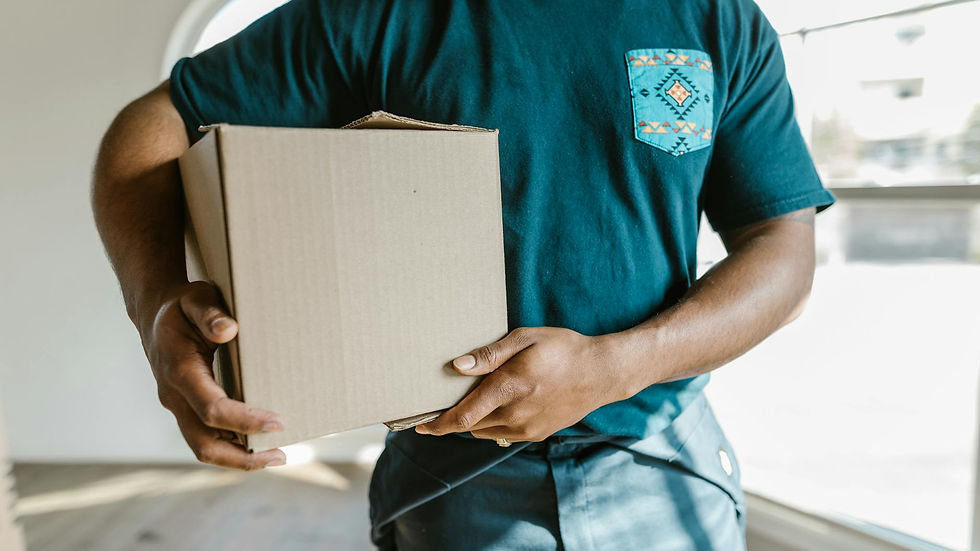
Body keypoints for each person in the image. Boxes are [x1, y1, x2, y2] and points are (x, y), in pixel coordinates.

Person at [92, 0, 836, 548]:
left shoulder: (717, 17)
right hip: (452, 478)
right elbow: (146, 131)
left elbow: (784, 247)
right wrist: (156, 308)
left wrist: (616, 365)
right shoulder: (375, 14)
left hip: (664, 459)